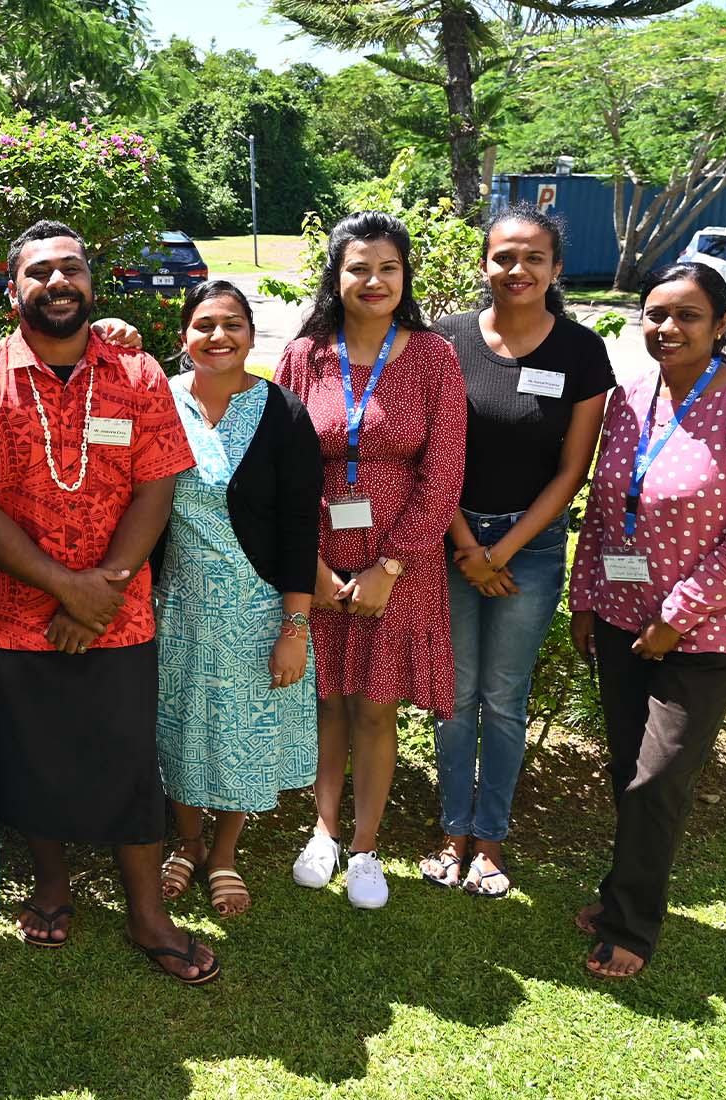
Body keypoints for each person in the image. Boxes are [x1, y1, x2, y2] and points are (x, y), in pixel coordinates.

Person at [0, 219, 219, 984]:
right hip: (12, 612)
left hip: (119, 611)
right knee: (32, 757)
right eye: (39, 273)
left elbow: (157, 481)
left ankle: (146, 913)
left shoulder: (137, 373)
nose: (57, 283)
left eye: (71, 269)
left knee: (129, 760)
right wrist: (67, 590)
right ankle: (52, 887)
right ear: (12, 291)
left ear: (93, 283)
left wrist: (106, 589)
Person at [568, 262, 726, 979]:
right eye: (656, 314)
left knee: (657, 779)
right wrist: (584, 597)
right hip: (621, 617)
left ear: (722, 324)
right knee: (626, 768)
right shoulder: (630, 399)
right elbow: (604, 512)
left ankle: (632, 925)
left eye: (688, 315)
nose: (668, 328)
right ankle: (618, 898)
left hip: (705, 636)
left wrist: (677, 616)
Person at [273, 210, 466, 910]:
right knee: (328, 700)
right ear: (337, 275)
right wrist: (313, 564)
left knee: (377, 707)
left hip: (399, 564)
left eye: (387, 267)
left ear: (404, 274)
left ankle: (364, 847)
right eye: (359, 267)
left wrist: (392, 565)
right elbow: (282, 464)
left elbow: (444, 474)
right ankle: (322, 832)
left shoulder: (433, 358)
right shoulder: (305, 355)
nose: (374, 280)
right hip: (322, 556)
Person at [420, 206, 615, 898]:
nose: (518, 269)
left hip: (527, 550)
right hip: (451, 538)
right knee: (454, 697)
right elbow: (430, 457)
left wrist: (502, 551)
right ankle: (451, 834)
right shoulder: (444, 342)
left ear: (556, 269)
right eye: (504, 256)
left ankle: (491, 842)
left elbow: (571, 471)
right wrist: (471, 546)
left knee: (504, 698)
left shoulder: (581, 353)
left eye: (534, 257)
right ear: (484, 264)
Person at [152, 280, 321, 917]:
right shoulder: (160, 403)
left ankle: (223, 853)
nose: (218, 337)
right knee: (181, 727)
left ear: (252, 335)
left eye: (232, 325)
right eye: (204, 325)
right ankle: (186, 843)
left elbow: (302, 522)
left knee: (242, 735)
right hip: (178, 606)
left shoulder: (282, 412)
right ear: (183, 337)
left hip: (255, 609)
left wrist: (294, 625)